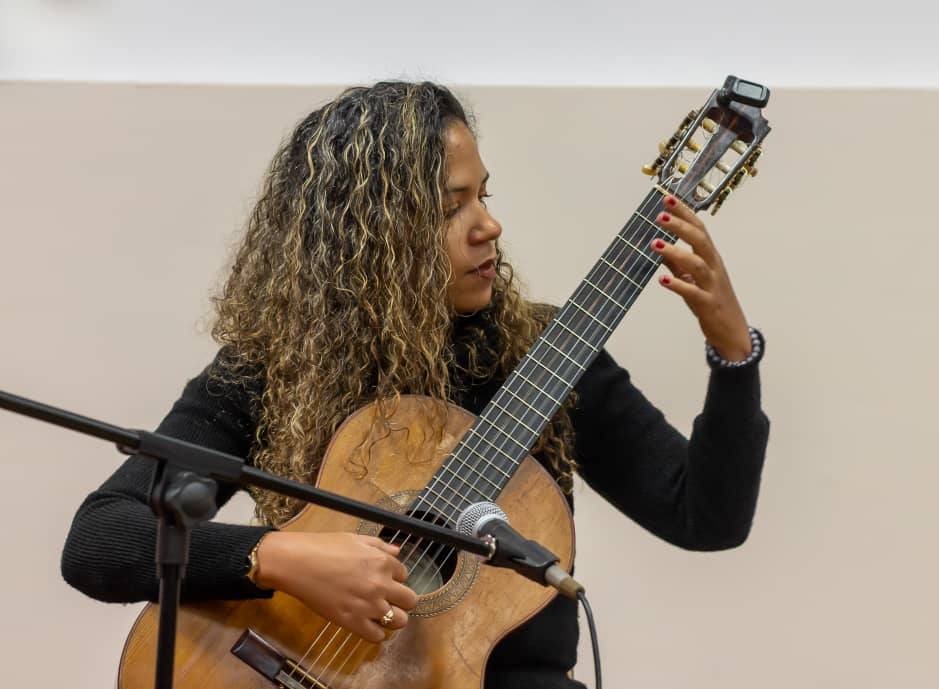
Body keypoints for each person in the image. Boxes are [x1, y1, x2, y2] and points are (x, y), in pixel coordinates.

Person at [61, 81, 769, 689]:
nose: (488, 226)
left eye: (484, 197)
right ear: (365, 232)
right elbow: (99, 540)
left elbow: (704, 518)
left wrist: (733, 352)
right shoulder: (276, 365)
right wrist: (283, 559)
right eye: (449, 207)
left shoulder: (549, 353)